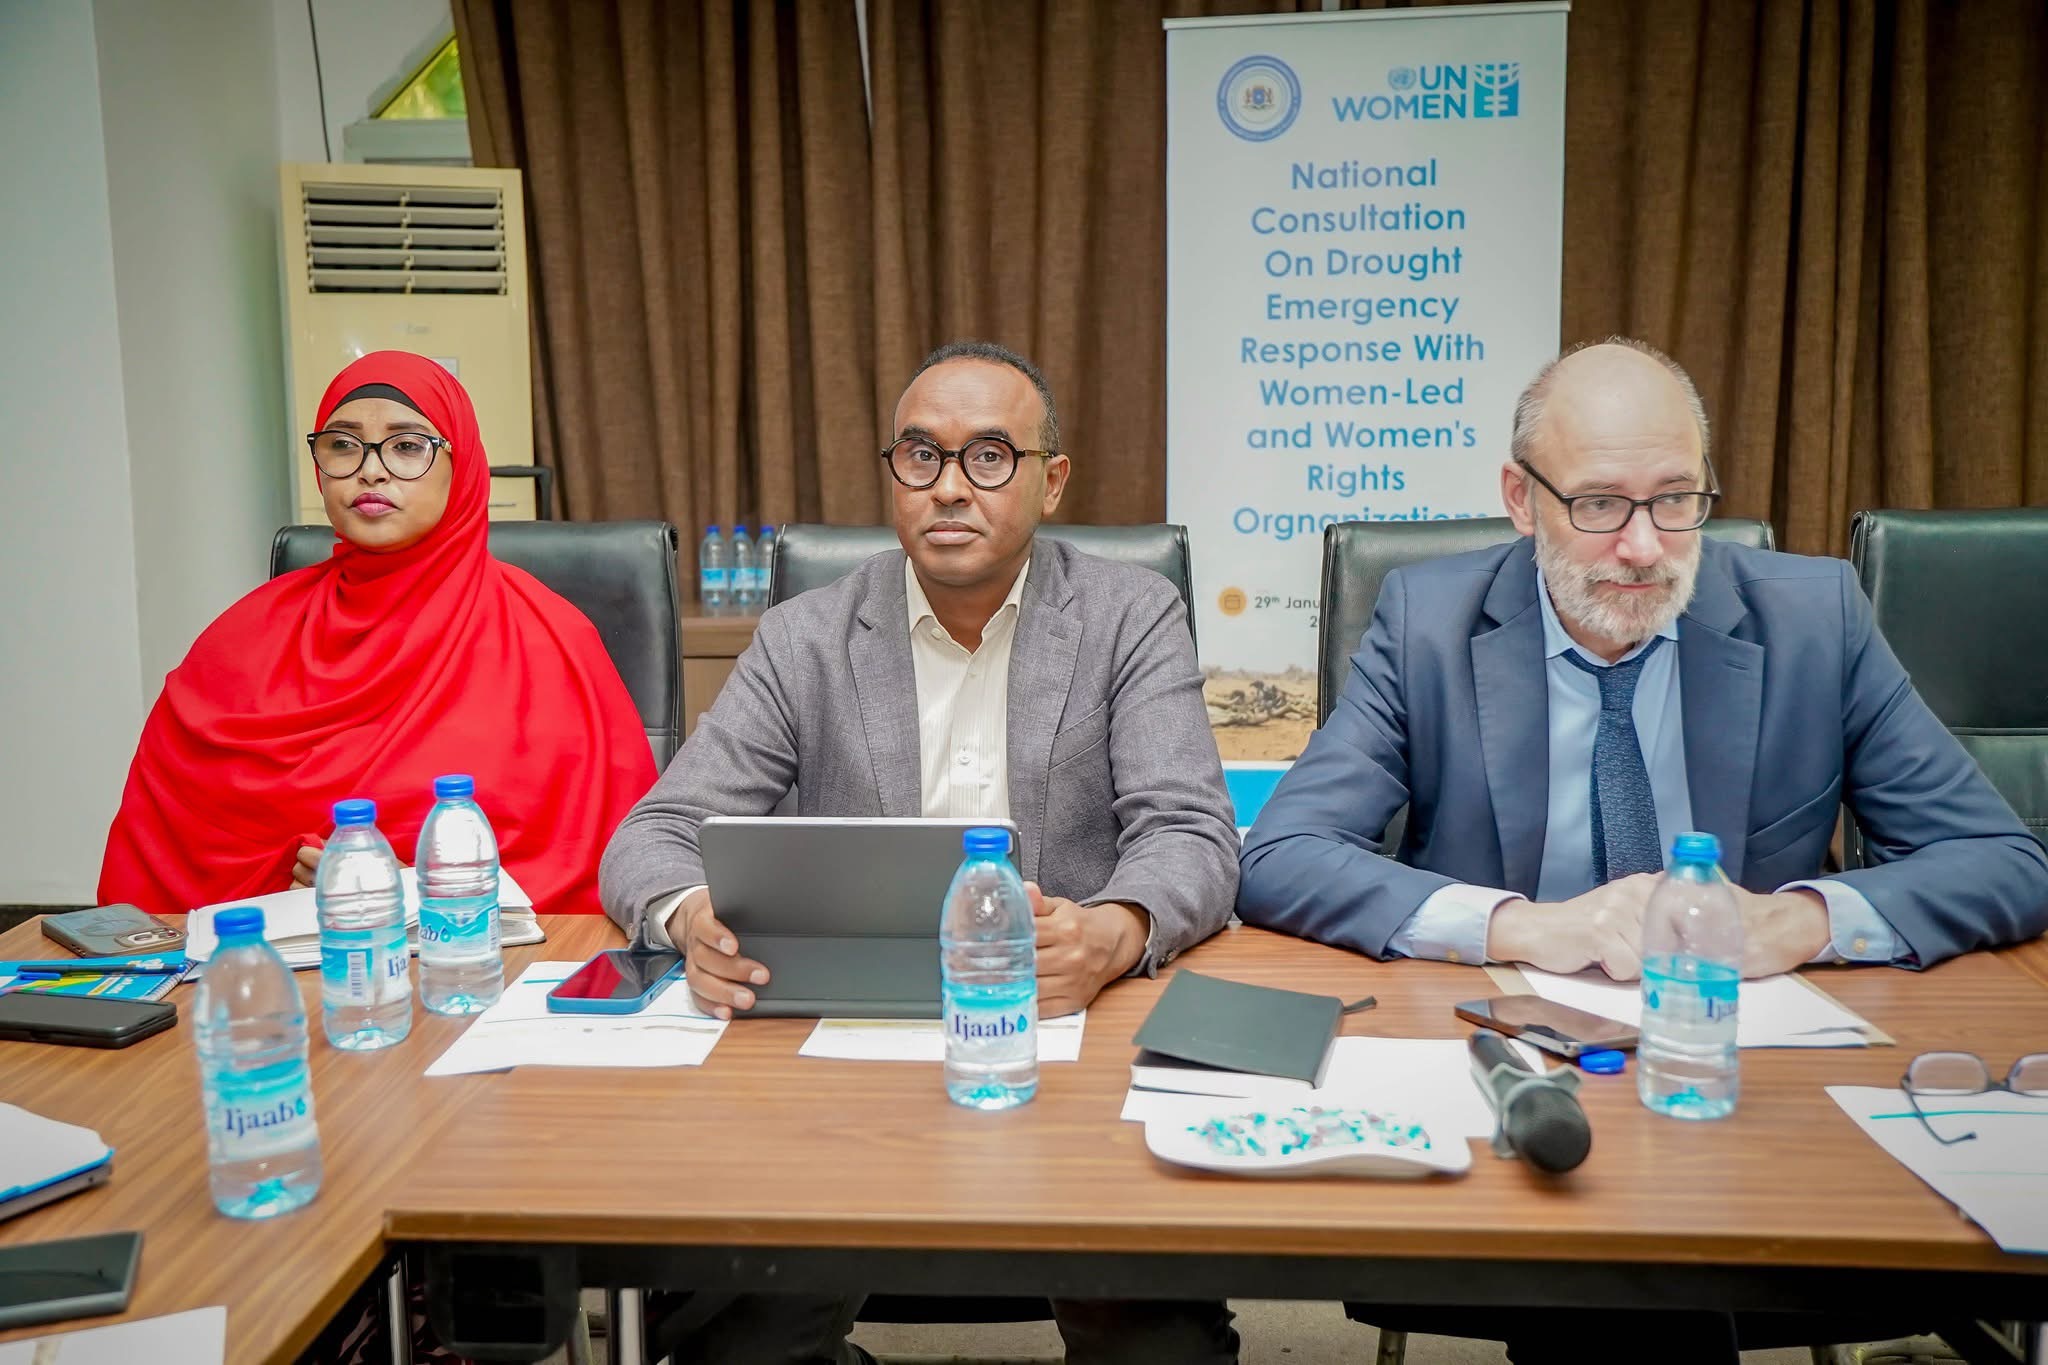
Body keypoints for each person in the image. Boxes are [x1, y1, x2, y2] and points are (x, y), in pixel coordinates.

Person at [1237, 337, 2048, 1364]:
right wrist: (1522, 925)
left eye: (1675, 501)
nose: (1642, 546)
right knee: (1619, 1283)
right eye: (1598, 505)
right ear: (1521, 500)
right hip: (1522, 1066)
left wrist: (1797, 919)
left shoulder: (1813, 619)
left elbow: (2003, 859)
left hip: (1748, 1074)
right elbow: (1284, 852)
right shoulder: (1428, 621)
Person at [602, 340, 1241, 1364]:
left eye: (988, 456)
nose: (948, 486)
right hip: (840, 1051)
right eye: (920, 455)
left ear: (1050, 481)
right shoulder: (805, 637)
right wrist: (690, 918)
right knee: (739, 1329)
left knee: (1157, 1339)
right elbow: (654, 832)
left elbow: (1191, 831)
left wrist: (1114, 931)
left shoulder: (1130, 616)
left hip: (1067, 1035)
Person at [99, 350, 655, 919]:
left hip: (481, 956)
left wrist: (414, 892)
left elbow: (612, 857)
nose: (371, 470)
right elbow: (171, 856)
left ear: (462, 465)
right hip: (273, 957)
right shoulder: (242, 640)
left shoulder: (551, 639)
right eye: (343, 444)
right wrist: (288, 882)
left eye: (407, 445)